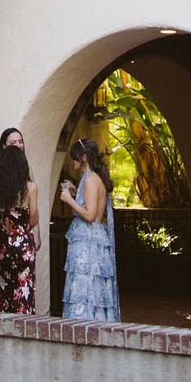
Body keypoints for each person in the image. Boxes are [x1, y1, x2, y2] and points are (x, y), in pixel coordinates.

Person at [59, 138, 119, 321]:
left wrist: (69, 201)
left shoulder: (92, 179)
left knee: (87, 287)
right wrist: (75, 192)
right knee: (87, 286)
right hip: (92, 238)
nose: (73, 162)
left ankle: (86, 324)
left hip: (90, 241)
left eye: (75, 158)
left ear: (84, 157)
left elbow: (90, 214)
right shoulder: (91, 178)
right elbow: (89, 202)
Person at [0, 128, 36, 305]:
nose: (19, 145)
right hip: (21, 244)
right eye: (14, 143)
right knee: (21, 295)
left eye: (21, 141)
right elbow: (33, 218)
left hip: (1, 244)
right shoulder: (30, 187)